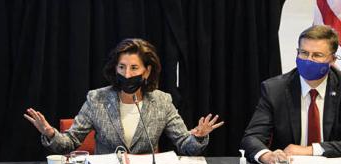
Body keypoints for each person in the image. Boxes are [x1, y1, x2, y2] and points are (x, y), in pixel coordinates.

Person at [24, 38, 224, 155]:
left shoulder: (162, 101)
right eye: (122, 67)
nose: (127, 75)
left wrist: (198, 136)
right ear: (115, 68)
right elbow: (70, 142)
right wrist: (50, 133)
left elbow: (184, 144)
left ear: (146, 71)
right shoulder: (97, 99)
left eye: (134, 68)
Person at [241, 25, 341, 164]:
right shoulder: (275, 89)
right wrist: (268, 156)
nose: (308, 60)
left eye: (317, 55)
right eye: (304, 53)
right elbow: (252, 138)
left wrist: (311, 150)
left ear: (332, 60)